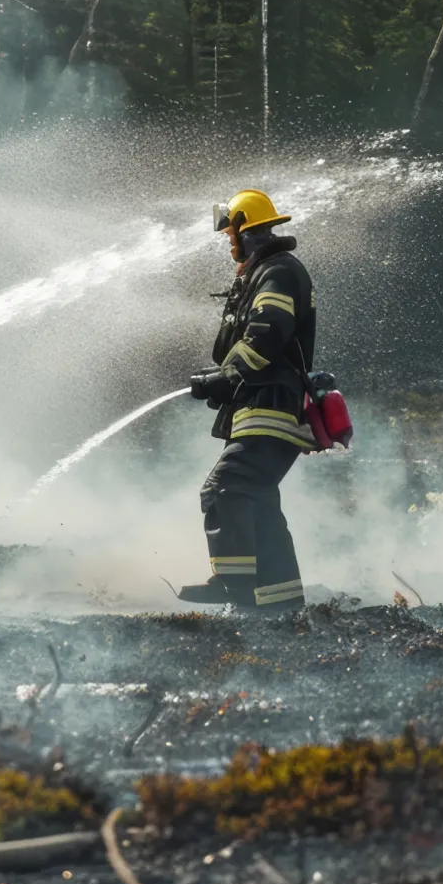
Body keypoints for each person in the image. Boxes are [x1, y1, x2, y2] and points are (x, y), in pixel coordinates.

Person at [180, 190, 316, 611]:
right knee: (257, 502)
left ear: (247, 227)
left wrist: (230, 375)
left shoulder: (278, 270)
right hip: (260, 404)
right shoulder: (264, 272)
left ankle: (233, 586)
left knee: (227, 488)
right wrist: (222, 379)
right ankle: (281, 604)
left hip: (269, 406)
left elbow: (269, 329)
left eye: (231, 233)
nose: (229, 242)